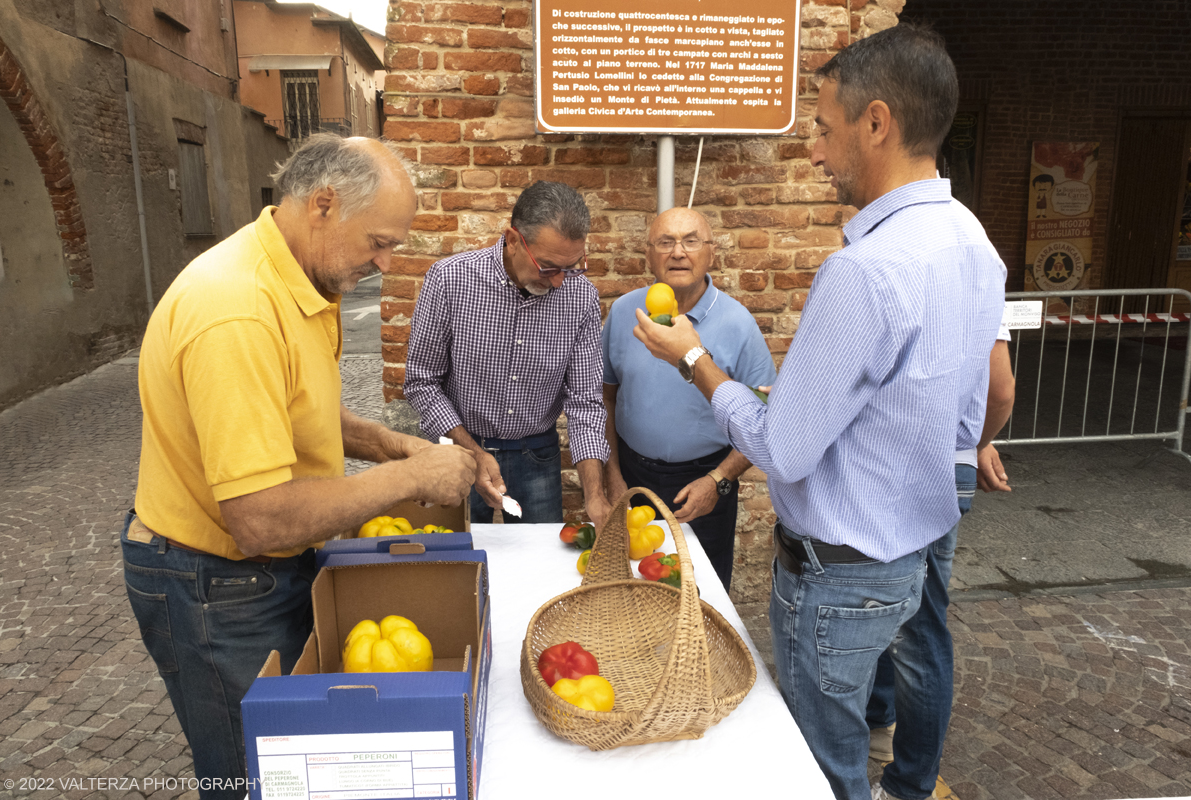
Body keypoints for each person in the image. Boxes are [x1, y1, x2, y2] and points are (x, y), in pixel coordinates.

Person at [631, 25, 1006, 800]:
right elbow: (957, 398)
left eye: (824, 129)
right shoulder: (969, 238)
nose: (813, 151)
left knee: (820, 770)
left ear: (878, 122)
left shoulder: (864, 270)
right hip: (907, 551)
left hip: (836, 575)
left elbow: (786, 451)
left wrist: (695, 361)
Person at [121, 134, 477, 800]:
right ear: (321, 205)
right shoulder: (237, 311)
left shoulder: (303, 278)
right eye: (379, 242)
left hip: (258, 573)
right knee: (255, 777)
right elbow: (258, 519)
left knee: (296, 770)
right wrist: (411, 479)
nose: (383, 261)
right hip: (216, 583)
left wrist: (394, 445)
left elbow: (299, 411)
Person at [404, 181, 612, 528]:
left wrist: (594, 494)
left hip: (537, 456)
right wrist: (472, 450)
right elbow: (422, 382)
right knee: (454, 561)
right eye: (548, 267)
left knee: (540, 568)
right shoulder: (450, 280)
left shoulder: (582, 299)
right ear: (513, 240)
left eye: (573, 266)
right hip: (455, 450)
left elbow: (585, 403)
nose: (560, 281)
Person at [865, 332, 1016, 800]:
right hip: (946, 467)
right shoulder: (979, 263)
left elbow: (999, 390)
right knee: (912, 613)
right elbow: (996, 391)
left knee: (915, 626)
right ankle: (880, 723)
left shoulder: (918, 264)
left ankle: (910, 785)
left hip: (908, 468)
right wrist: (976, 442)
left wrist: (976, 441)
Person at [601, 207, 776, 591]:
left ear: (711, 253)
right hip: (632, 478)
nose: (678, 252)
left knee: (705, 595)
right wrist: (611, 475)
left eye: (691, 241)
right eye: (665, 242)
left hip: (706, 482)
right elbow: (605, 399)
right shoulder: (623, 315)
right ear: (648, 254)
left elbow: (766, 416)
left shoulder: (738, 322)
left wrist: (719, 480)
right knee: (634, 591)